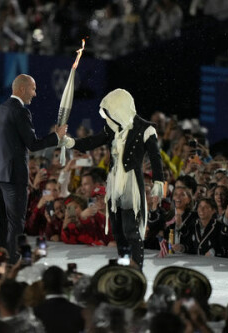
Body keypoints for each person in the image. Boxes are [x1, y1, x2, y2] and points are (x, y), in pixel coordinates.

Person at [61, 88, 164, 269]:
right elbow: (93, 141)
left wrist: (158, 182)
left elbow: (156, 157)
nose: (109, 116)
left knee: (131, 227)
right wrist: (71, 142)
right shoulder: (112, 127)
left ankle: (136, 265)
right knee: (117, 228)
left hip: (131, 183)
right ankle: (124, 261)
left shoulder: (146, 129)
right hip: (114, 181)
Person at [0, 74, 67, 263]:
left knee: (1, 222)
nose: (35, 94)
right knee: (15, 222)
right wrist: (56, 136)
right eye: (33, 89)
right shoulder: (20, 112)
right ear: (22, 89)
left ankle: (1, 257)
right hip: (13, 176)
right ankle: (13, 260)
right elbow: (32, 143)